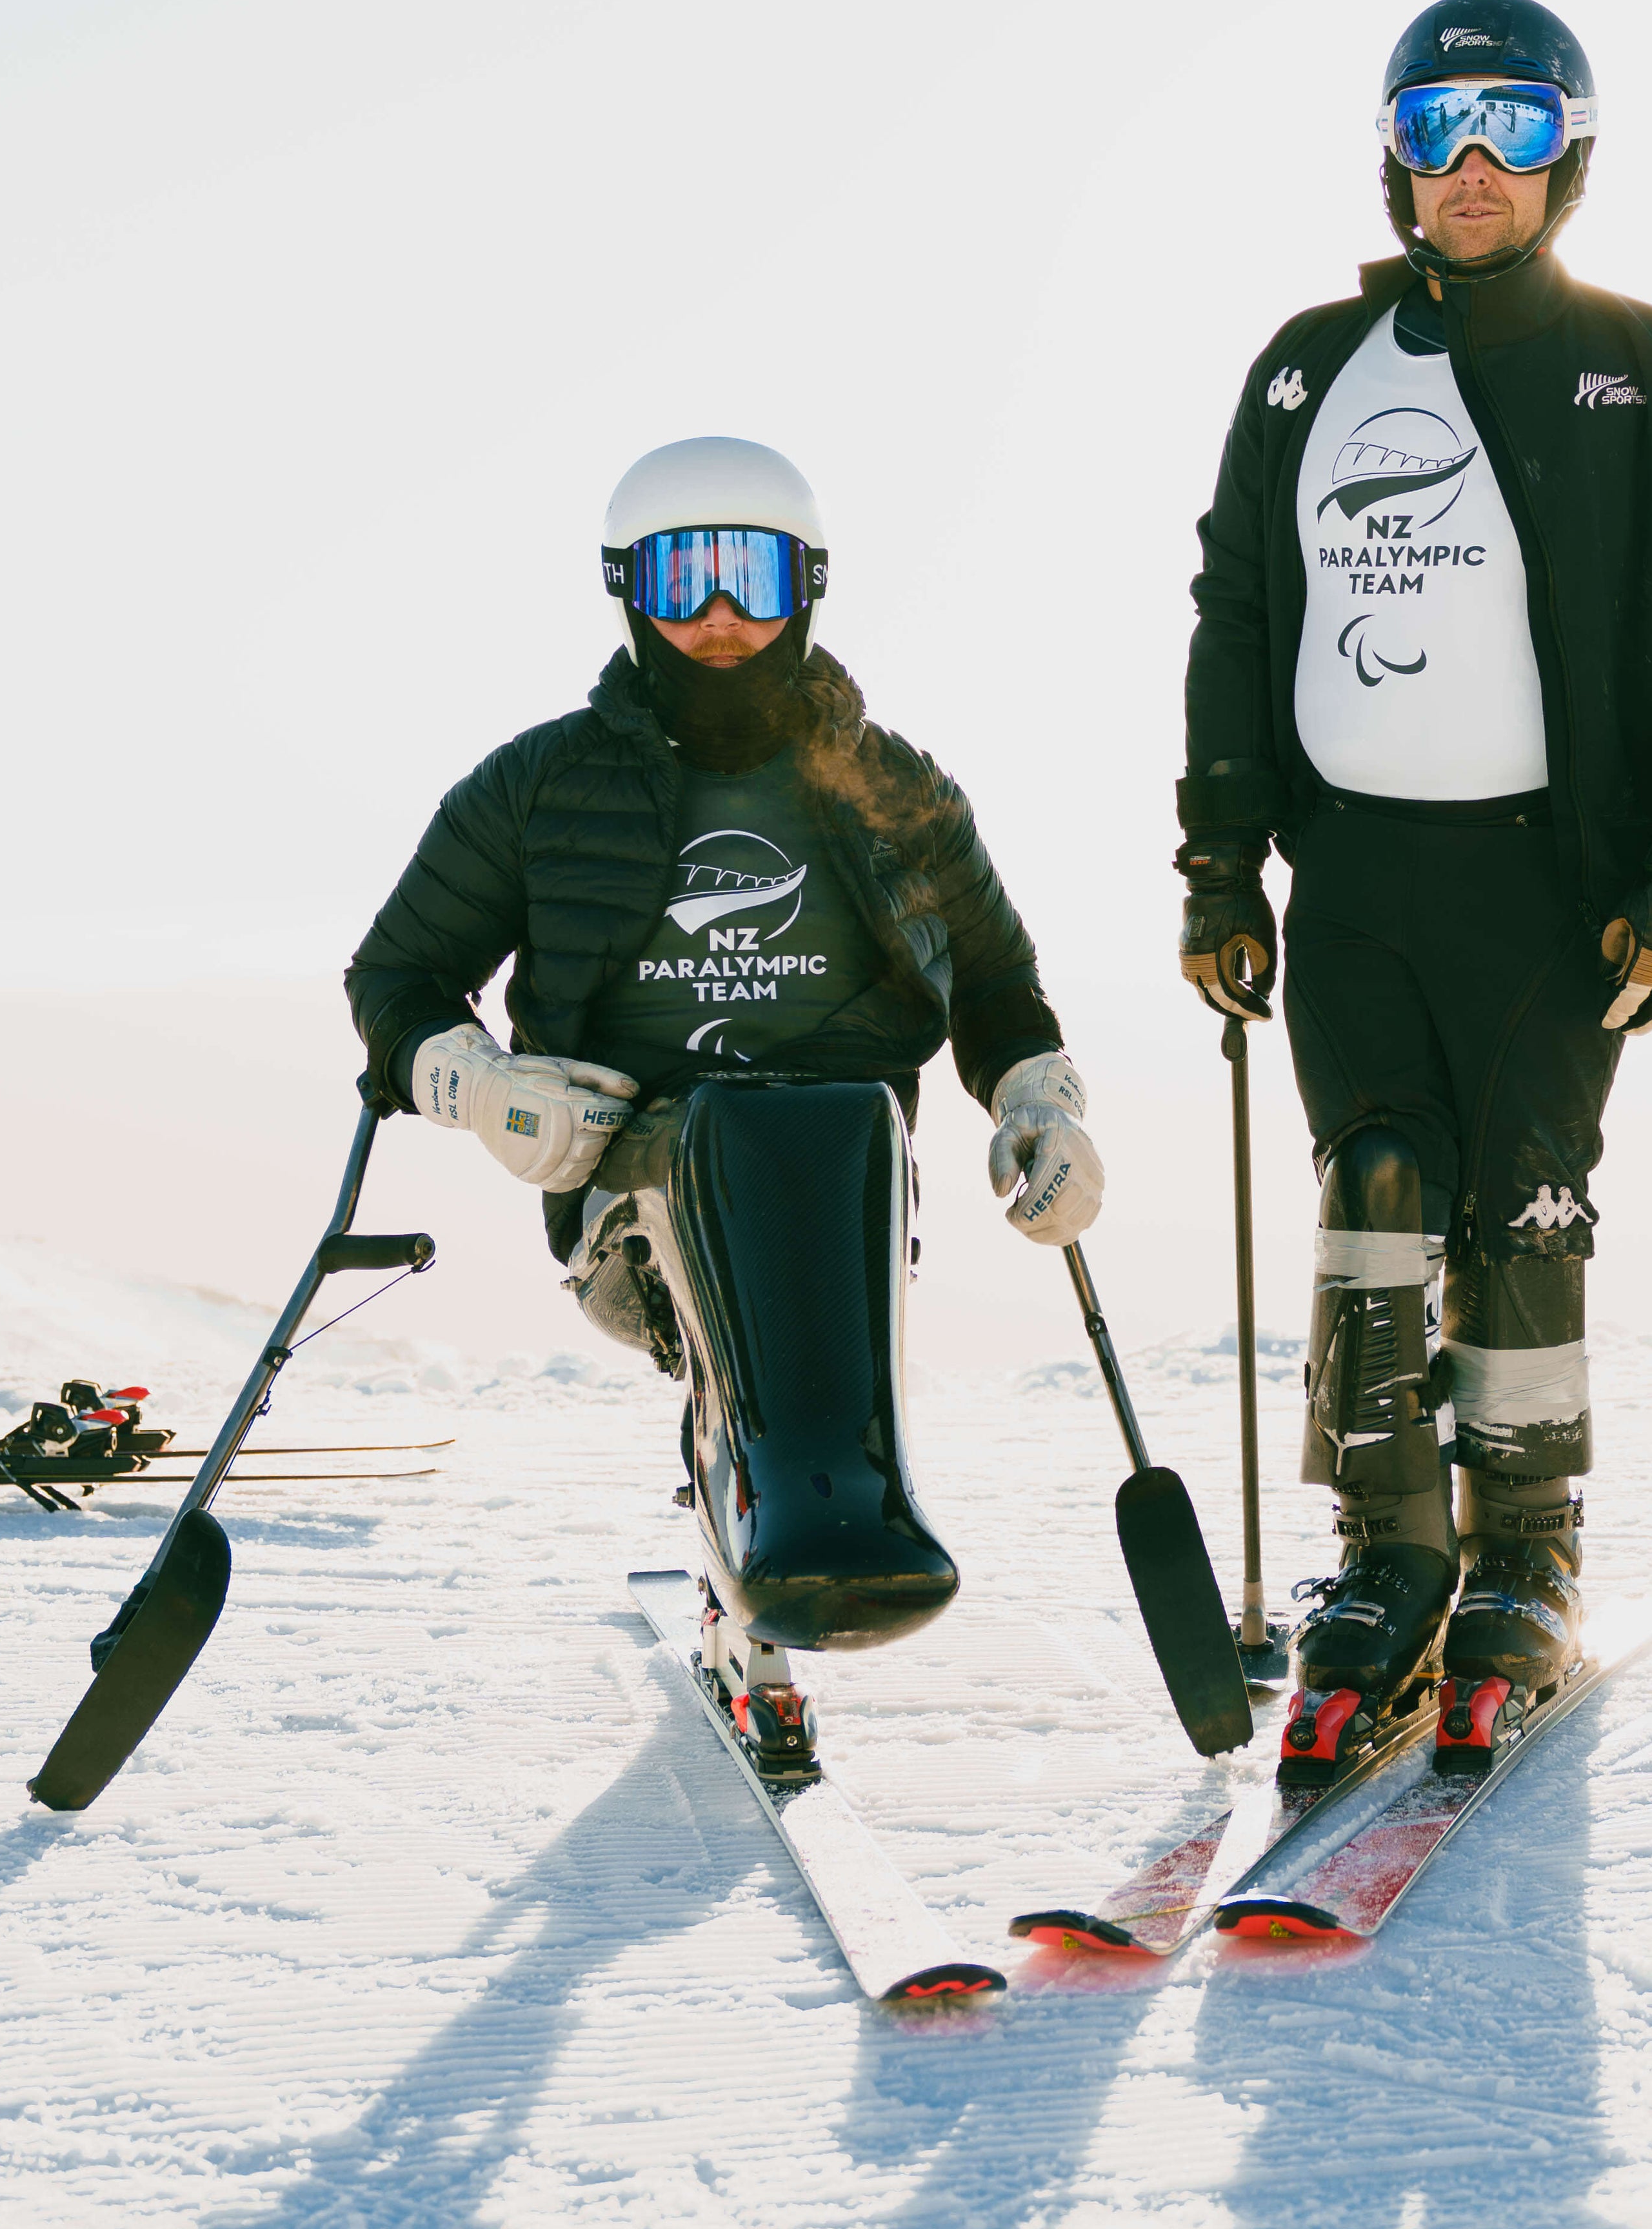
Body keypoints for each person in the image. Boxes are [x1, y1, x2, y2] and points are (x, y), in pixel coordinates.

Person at [1171, 0, 1652, 1761]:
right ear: (1390, 155)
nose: (1471, 164)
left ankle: (1526, 1553)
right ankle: (1388, 1554)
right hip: (1354, 873)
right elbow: (1236, 614)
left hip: (1554, 878)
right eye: (1435, 128)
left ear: (1569, 157)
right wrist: (1220, 864)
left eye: (1514, 127)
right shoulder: (1306, 368)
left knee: (1522, 1201)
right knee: (1375, 1190)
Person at [346, 436, 1102, 1763]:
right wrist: (484, 1090)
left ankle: (816, 1506)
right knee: (739, 1127)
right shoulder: (539, 787)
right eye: (677, 578)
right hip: (630, 1196)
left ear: (806, 586)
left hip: (845, 1202)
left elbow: (994, 982)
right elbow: (396, 978)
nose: (716, 617)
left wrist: (1040, 1103)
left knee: (822, 1119)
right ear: (625, 591)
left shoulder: (894, 791)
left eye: (748, 577)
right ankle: (814, 1522)